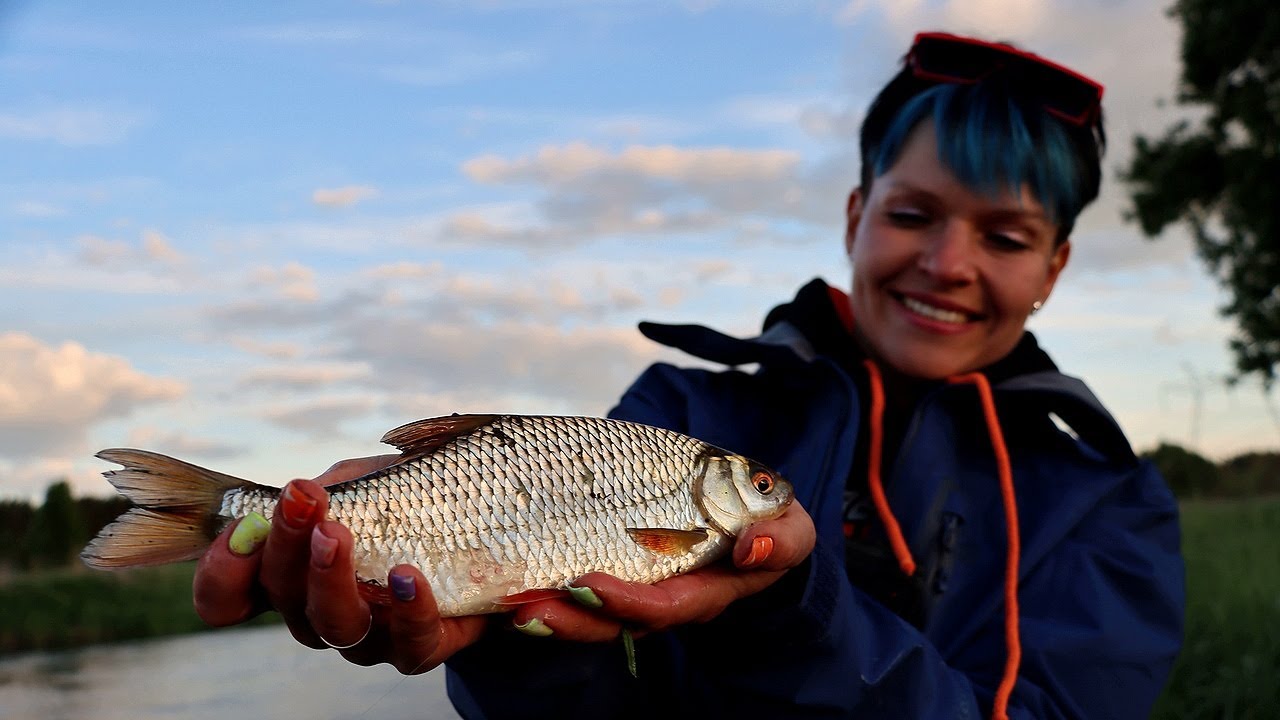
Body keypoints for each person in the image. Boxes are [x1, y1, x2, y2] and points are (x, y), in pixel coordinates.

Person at [192, 31, 1185, 719]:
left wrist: (784, 613)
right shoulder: (681, 409)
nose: (947, 265)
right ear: (853, 216)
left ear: (1053, 268)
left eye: (1004, 236)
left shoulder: (1110, 505)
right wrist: (500, 633)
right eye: (912, 215)